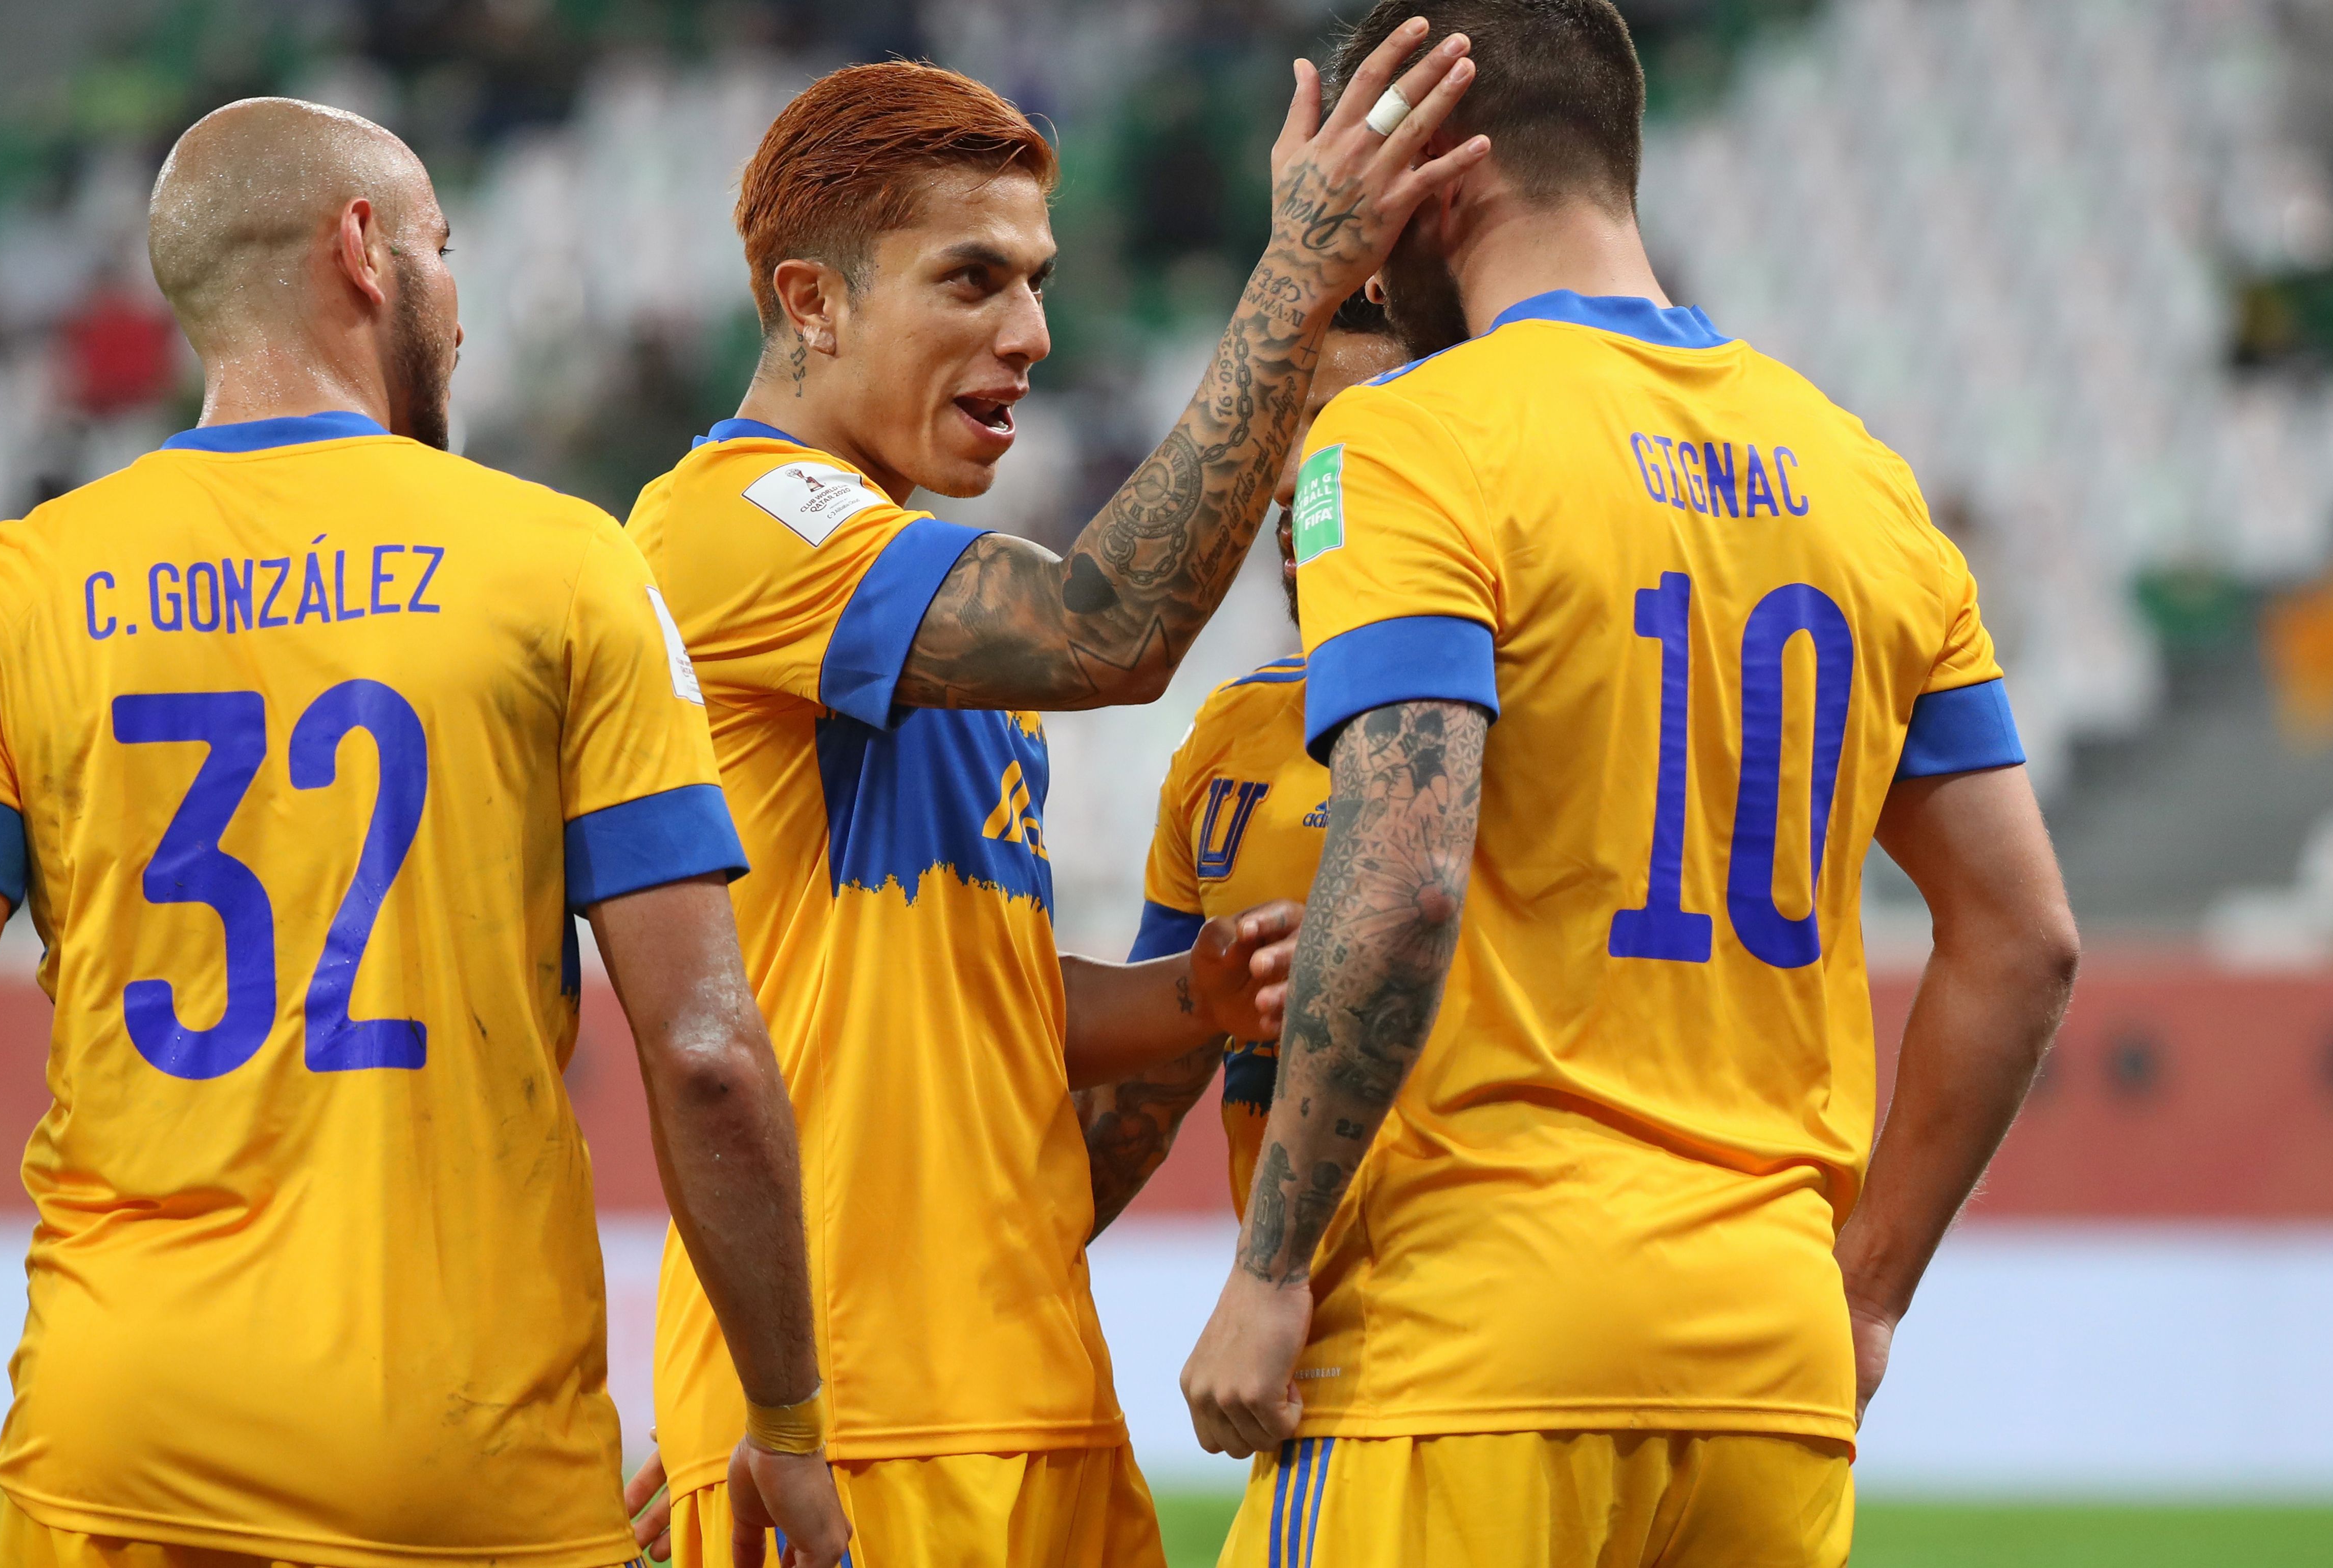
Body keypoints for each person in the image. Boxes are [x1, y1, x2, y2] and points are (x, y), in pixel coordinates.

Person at [0, 98, 848, 1568]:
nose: (458, 305)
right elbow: (707, 1052)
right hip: (460, 1452)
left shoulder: (4, 590)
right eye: (441, 250)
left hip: (118, 1443)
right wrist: (787, 1418)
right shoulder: (565, 565)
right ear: (363, 250)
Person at [1178, 4, 2084, 1564]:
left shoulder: (1408, 441)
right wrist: (1867, 1292)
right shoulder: (1864, 481)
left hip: (1474, 1347)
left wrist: (1267, 1273)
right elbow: (2026, 939)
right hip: (1769, 1372)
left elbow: (1403, 878)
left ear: (1431, 179)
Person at [620, 28, 1488, 1567]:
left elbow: (981, 994)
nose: (1028, 332)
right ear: (812, 302)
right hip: (871, 1421)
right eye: (972, 280)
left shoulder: (908, 602)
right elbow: (1109, 629)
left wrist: (1194, 994)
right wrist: (1301, 276)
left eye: (1036, 281)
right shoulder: (734, 523)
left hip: (1030, 1387)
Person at [1080, 294, 1409, 1233]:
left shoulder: (1558, 716)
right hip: (1289, 1323)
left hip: (1502, 1313)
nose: (1289, 480)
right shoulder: (1231, 737)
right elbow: (1138, 1096)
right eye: (1284, 428)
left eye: (1338, 429)